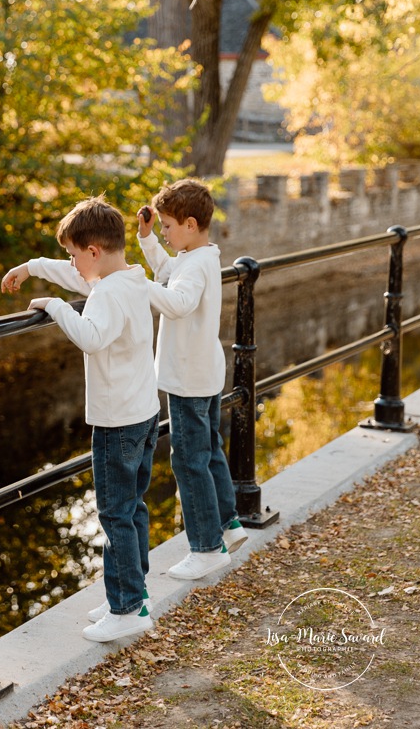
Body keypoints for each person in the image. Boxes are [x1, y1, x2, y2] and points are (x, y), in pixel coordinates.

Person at [1, 196, 160, 643]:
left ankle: (127, 607)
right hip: (144, 413)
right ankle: (132, 591)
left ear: (93, 252)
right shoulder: (130, 279)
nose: (70, 263)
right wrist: (32, 266)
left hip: (117, 422)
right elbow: (73, 273)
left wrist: (55, 306)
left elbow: (91, 338)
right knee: (133, 508)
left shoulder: (106, 293)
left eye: (74, 254)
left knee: (114, 514)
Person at [137, 178, 247, 581]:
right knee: (210, 450)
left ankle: (205, 548)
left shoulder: (197, 264)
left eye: (166, 226)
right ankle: (228, 524)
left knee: (188, 459)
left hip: (188, 378)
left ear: (189, 222)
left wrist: (134, 282)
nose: (164, 233)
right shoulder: (195, 256)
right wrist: (147, 240)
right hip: (202, 373)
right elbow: (168, 272)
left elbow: (179, 301)